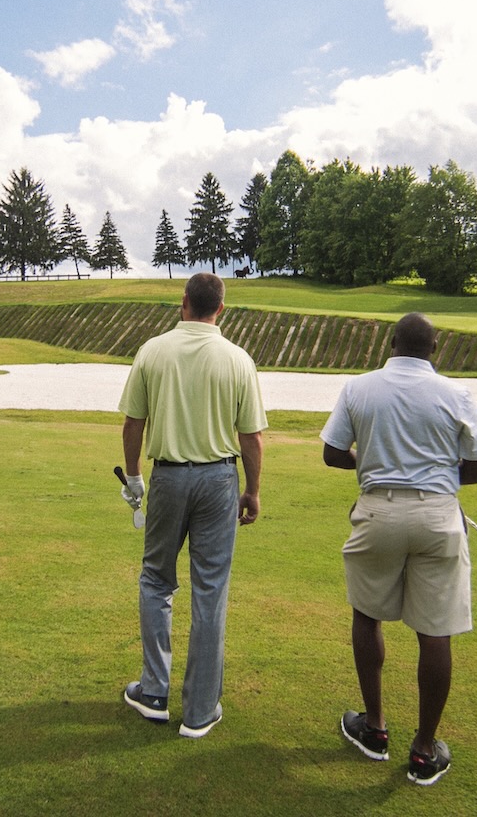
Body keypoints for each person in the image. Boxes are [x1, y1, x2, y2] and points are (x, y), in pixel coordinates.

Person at [321, 312, 477, 786]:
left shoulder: (359, 388)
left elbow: (333, 453)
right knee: (435, 631)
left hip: (378, 511)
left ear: (391, 343)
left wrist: (371, 462)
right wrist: (434, 474)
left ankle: (374, 728)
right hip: (439, 515)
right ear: (434, 348)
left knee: (367, 613)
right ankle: (423, 749)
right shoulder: (457, 394)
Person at [117, 272, 267, 739]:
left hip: (168, 477)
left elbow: (132, 425)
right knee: (210, 590)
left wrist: (135, 480)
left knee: (156, 579)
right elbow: (252, 438)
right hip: (220, 478)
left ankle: (155, 692)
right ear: (221, 308)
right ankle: (200, 710)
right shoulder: (239, 359)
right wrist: (253, 489)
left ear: (184, 301)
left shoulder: (152, 350)